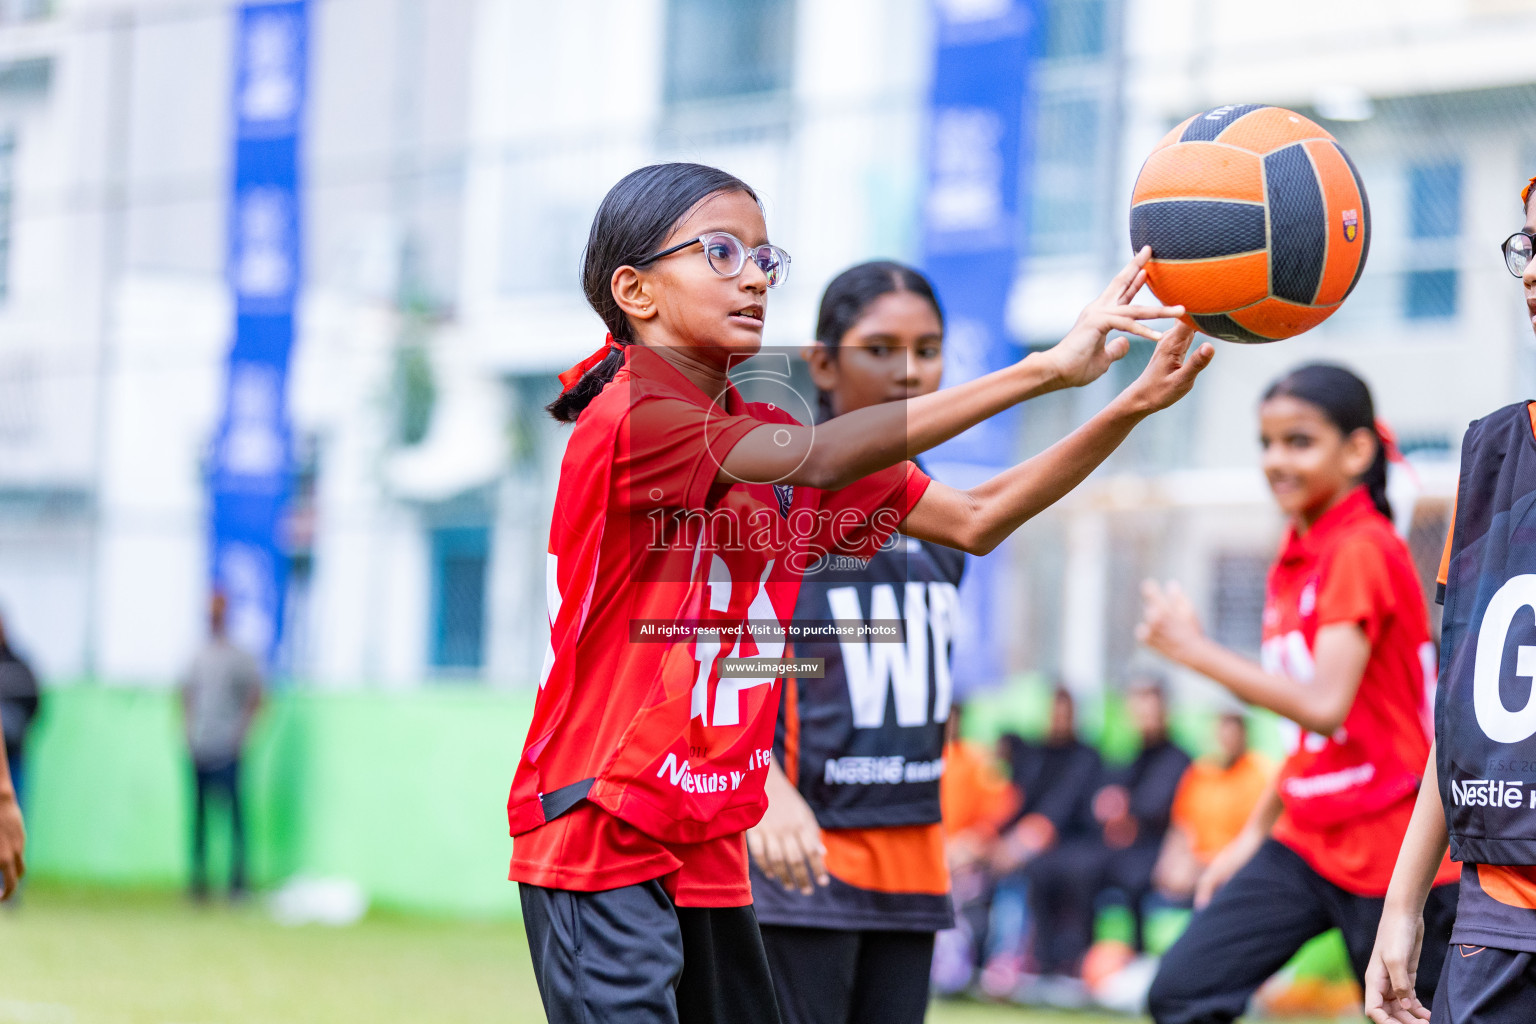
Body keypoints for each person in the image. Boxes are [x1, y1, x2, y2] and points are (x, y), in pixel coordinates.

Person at [509, 161, 1213, 1024]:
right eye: (722, 253)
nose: (755, 277)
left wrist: (1127, 404)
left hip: (703, 838)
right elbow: (831, 456)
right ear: (637, 291)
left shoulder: (763, 435)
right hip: (602, 828)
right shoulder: (632, 418)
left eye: (767, 258)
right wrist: (1046, 371)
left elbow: (976, 516)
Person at [1137, 363, 1460, 1023]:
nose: (1276, 459)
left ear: (1358, 450)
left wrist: (1194, 651)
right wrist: (1252, 838)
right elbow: (1311, 738)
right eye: (1267, 442)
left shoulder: (1360, 547)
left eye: (1299, 441)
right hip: (1311, 840)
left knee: (1410, 1014)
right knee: (1182, 990)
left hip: (1392, 845)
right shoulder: (1300, 548)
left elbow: (1323, 704)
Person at [742, 261, 969, 1024]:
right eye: (880, 348)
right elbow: (711, 652)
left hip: (912, 859)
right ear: (823, 363)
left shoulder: (948, 514)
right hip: (801, 856)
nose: (910, 370)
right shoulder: (785, 485)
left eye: (928, 348)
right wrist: (764, 787)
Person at [1364, 176, 1536, 1024]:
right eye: (1529, 245)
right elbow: (1465, 714)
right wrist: (1403, 905)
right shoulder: (1495, 452)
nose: (1532, 270)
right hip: (1498, 912)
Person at [1021, 676, 1190, 985]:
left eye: (1149, 709)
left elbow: (1158, 808)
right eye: (1138, 708)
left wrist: (1127, 811)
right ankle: (1054, 964)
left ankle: (1131, 965)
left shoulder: (1178, 757)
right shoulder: (1129, 754)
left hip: (1156, 850)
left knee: (1122, 876)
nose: (1143, 716)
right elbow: (1104, 803)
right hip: (1119, 847)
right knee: (1051, 868)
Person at [180, 591, 264, 901]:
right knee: (199, 819)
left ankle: (237, 883)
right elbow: (185, 694)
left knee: (234, 819)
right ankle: (198, 883)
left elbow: (256, 696)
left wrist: (242, 734)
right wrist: (187, 731)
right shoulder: (197, 656)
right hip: (200, 745)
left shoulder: (240, 657)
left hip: (227, 747)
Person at [1153, 711, 1273, 904]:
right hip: (1198, 861)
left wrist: (1219, 864)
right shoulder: (1201, 772)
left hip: (1237, 861)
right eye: (1222, 728)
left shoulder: (1259, 773)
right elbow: (1182, 824)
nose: (1227, 736)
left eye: (1233, 728)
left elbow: (1260, 833)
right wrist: (1169, 861)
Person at [0, 612, 39, 817]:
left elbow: (35, 704)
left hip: (13, 754)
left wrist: (15, 728)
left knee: (12, 815)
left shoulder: (17, 664)